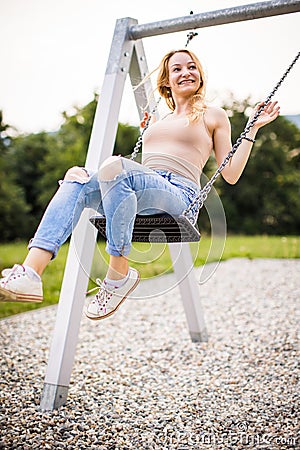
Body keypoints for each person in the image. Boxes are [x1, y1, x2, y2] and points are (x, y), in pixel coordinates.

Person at [0, 49, 280, 319]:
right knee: (76, 178)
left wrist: (252, 128)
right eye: (177, 69)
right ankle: (31, 273)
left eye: (192, 66)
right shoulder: (157, 121)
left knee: (114, 166)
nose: (186, 72)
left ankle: (118, 273)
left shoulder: (213, 114)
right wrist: (148, 132)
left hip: (180, 197)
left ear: (201, 75)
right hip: (142, 193)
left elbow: (230, 173)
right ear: (167, 82)